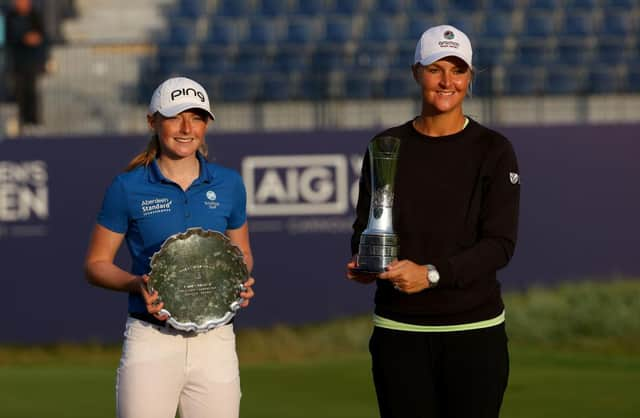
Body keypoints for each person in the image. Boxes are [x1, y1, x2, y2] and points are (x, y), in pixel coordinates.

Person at [347, 25, 520, 418]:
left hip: (474, 332)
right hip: (400, 332)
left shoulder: (493, 149)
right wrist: (365, 260)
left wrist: (431, 274)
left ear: (470, 77)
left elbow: (500, 244)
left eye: (457, 71)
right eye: (435, 69)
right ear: (416, 73)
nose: (446, 81)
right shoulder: (385, 147)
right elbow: (364, 227)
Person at [84, 76, 255, 418]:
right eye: (175, 116)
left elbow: (243, 253)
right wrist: (136, 283)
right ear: (153, 121)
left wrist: (237, 281)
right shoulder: (127, 187)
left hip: (216, 340)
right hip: (151, 338)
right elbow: (96, 263)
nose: (186, 127)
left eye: (197, 117)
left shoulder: (229, 184)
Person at [4, 0, 49, 128]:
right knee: (19, 91)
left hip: (32, 61)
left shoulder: (35, 15)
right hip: (17, 62)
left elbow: (42, 35)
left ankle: (33, 122)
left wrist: (36, 39)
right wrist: (24, 38)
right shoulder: (10, 16)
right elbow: (8, 37)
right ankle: (21, 121)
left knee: (32, 91)